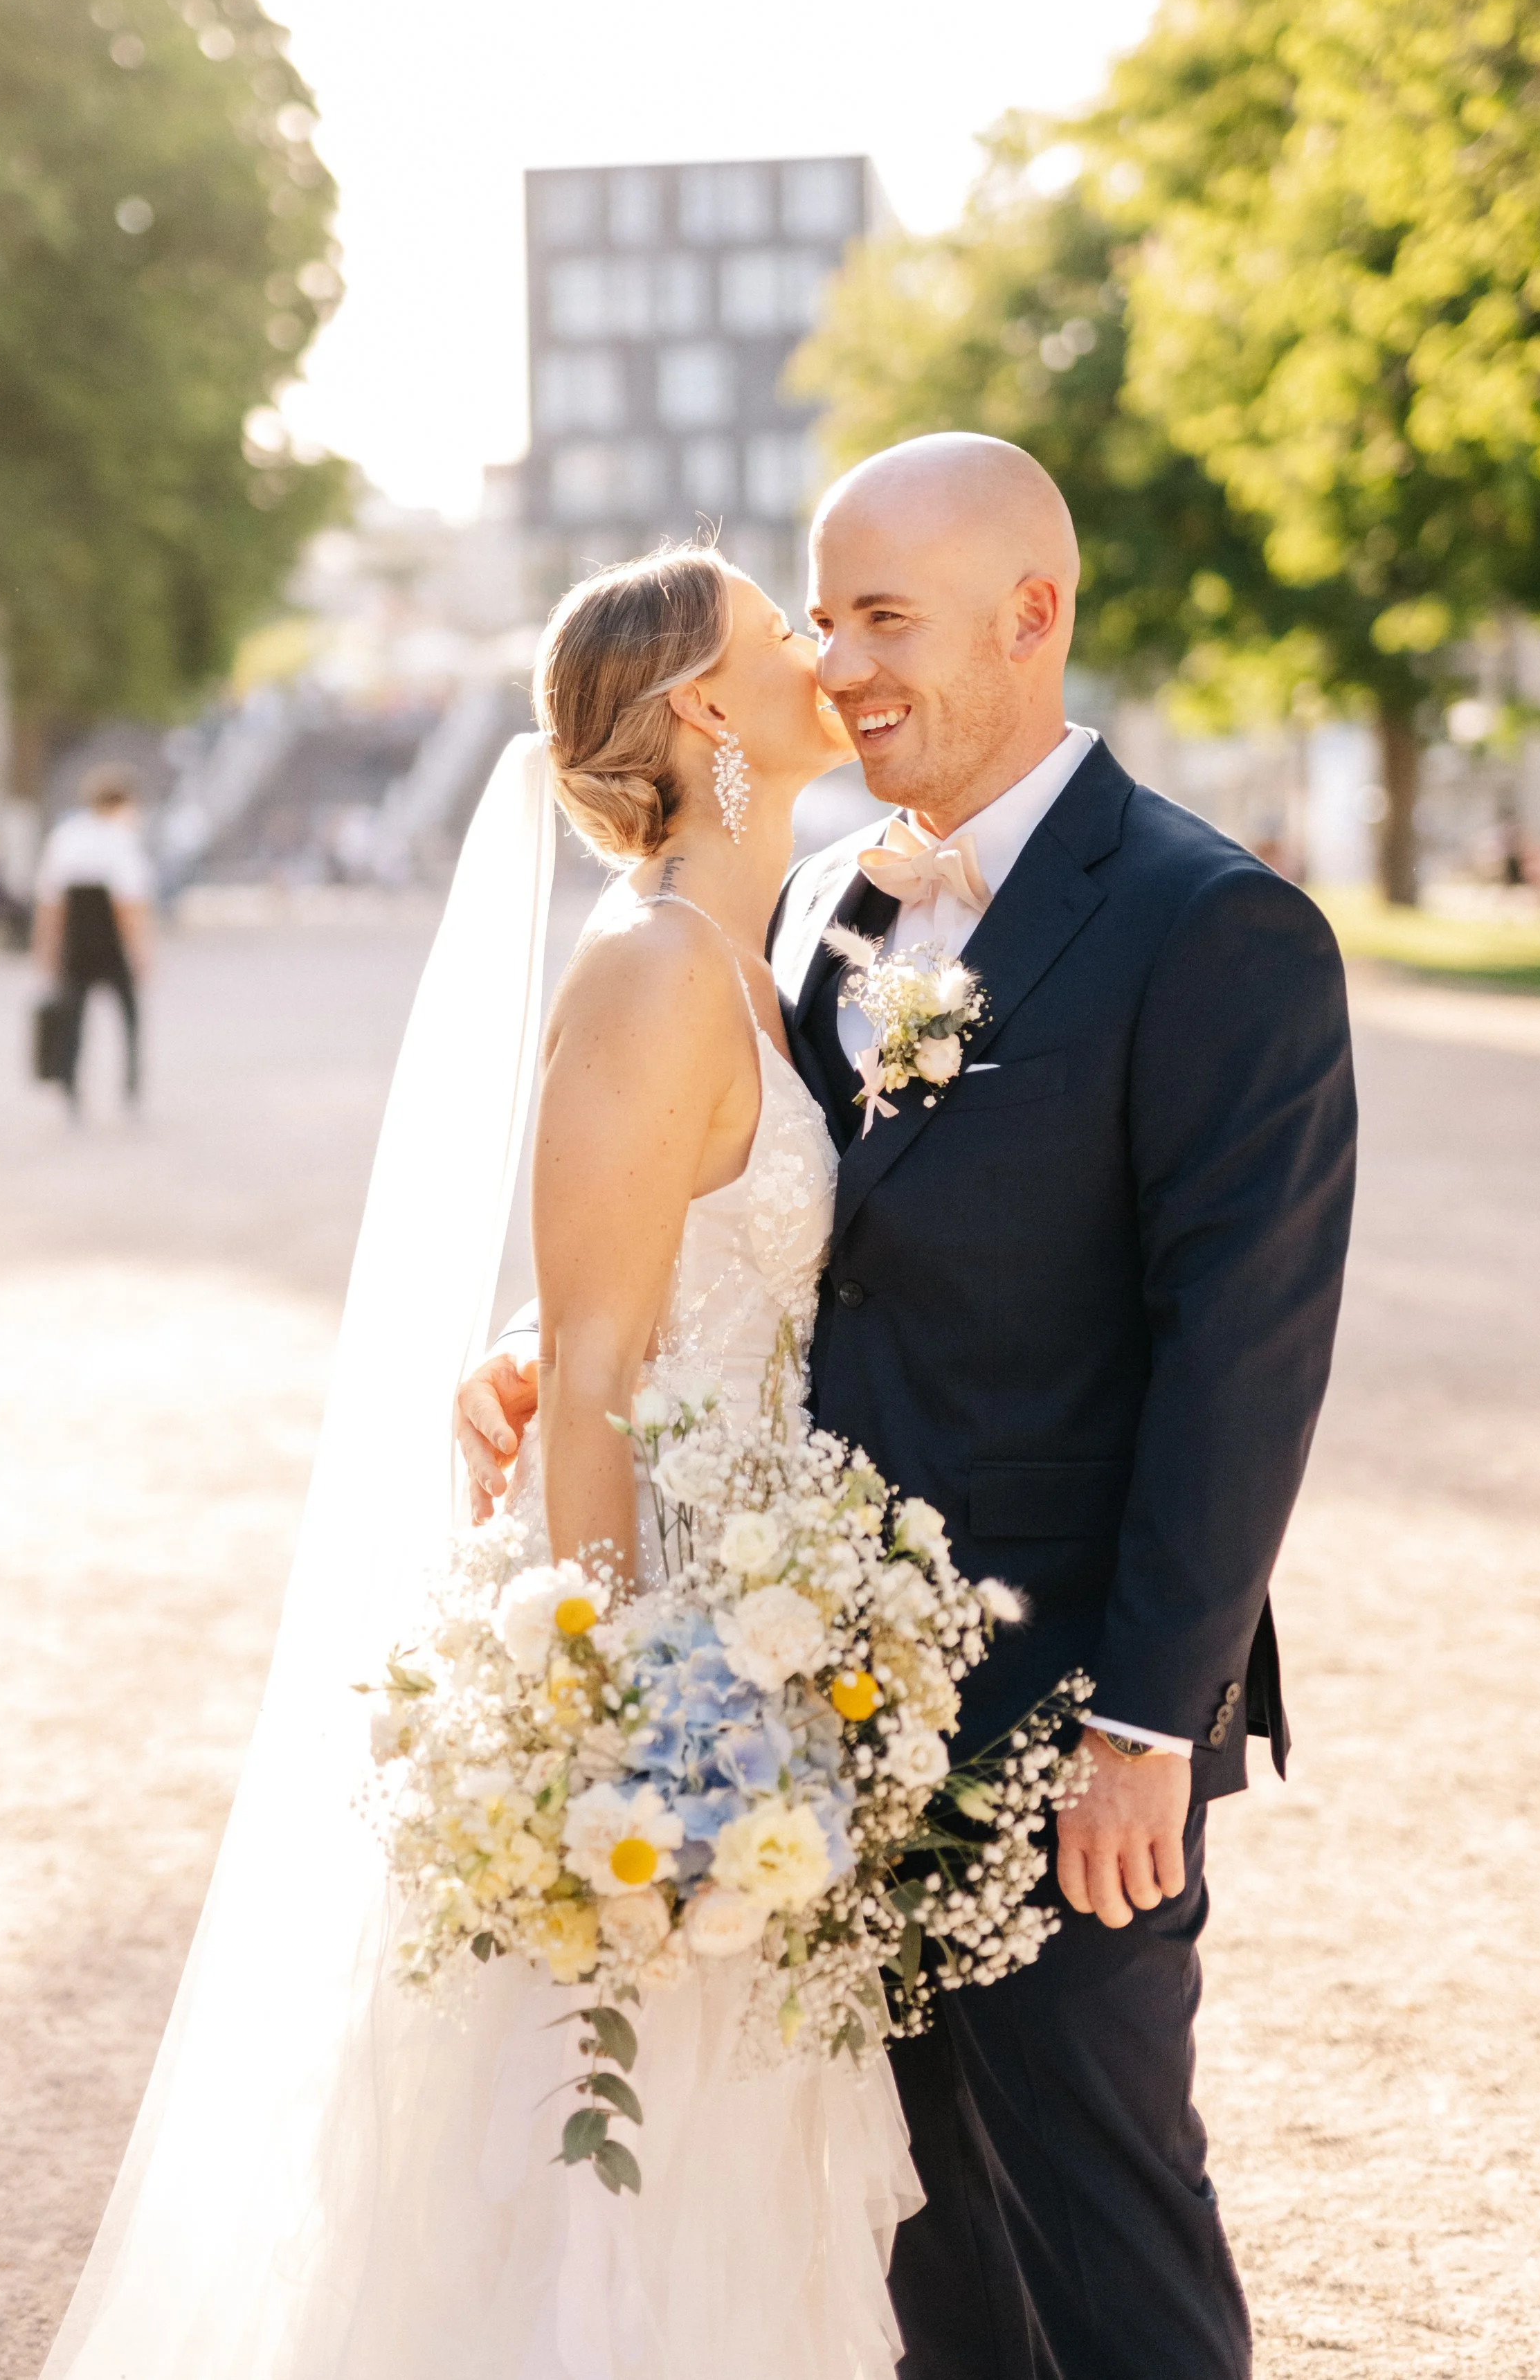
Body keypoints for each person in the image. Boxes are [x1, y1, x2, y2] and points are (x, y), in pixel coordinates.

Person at [462, 435, 1359, 2379]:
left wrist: (1143, 1719)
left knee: (1107, 2232)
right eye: (824, 611)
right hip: (804, 1707)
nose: (846, 661)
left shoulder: (1215, 931)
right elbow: (750, 1231)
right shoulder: (794, 918)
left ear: (1031, 616)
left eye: (884, 617)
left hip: (1058, 1728)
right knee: (913, 2254)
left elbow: (1243, 1359)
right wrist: (555, 1348)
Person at [42, 546, 918, 2380]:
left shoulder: (757, 969)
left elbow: (626, 1284)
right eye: (787, 632)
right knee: (593, 2161)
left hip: (754, 1625)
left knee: (711, 2169)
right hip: (662, 1648)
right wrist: (601, 1720)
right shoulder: (652, 965)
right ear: (702, 707)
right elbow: (599, 1359)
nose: (826, 652)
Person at [32, 764, 153, 1110]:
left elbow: (51, 904)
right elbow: (129, 908)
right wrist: (142, 953)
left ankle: (70, 1083)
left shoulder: (65, 836)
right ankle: (131, 1084)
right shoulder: (122, 840)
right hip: (112, 945)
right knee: (129, 1017)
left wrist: (46, 948)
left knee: (74, 1019)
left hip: (76, 943)